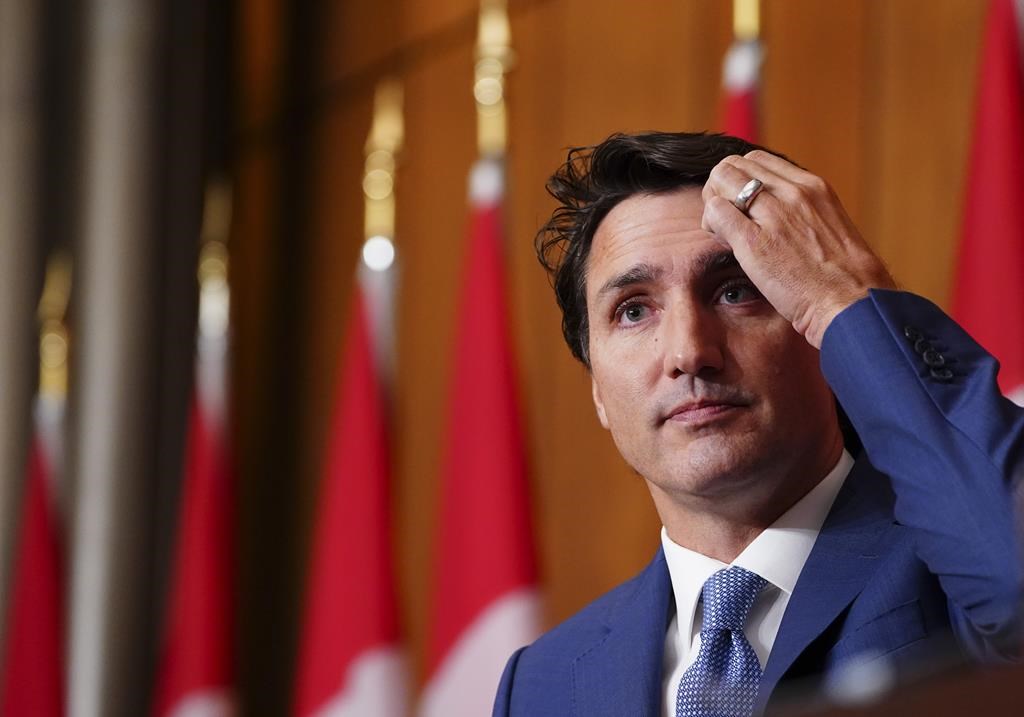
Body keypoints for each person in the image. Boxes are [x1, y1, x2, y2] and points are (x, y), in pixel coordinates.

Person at [491, 132, 1024, 717]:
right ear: (596, 388)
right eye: (634, 310)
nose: (689, 352)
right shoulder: (542, 684)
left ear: (815, 326)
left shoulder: (956, 571)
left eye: (736, 291)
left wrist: (845, 298)